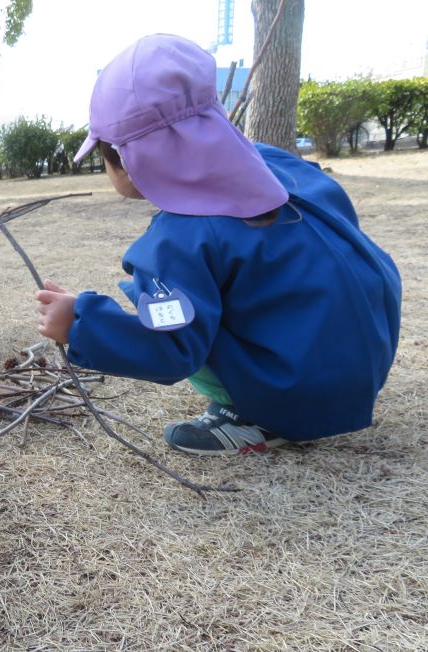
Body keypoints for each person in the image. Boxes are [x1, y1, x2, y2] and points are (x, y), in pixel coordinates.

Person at [35, 34, 401, 456]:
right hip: (364, 363)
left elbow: (171, 346)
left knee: (190, 318)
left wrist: (80, 322)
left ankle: (258, 420)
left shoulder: (181, 239)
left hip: (300, 392)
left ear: (131, 162)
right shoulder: (285, 167)